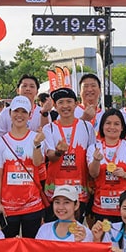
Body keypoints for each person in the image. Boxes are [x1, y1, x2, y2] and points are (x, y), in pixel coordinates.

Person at [0, 96, 47, 237]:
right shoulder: (1, 142)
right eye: (16, 111)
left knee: (31, 246)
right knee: (9, 247)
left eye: (24, 112)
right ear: (10, 114)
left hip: (32, 205)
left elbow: (38, 163)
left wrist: (36, 145)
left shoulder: (37, 137)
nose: (19, 115)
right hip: (8, 207)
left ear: (29, 115)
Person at [40, 87, 94, 217]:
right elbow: (50, 156)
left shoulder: (87, 126)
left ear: (76, 104)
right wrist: (59, 152)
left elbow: (91, 157)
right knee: (54, 229)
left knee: (75, 229)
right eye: (61, 102)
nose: (65, 106)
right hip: (56, 189)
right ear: (55, 105)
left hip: (79, 188)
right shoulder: (49, 128)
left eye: (69, 101)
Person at [88, 108, 126, 226]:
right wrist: (96, 160)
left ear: (122, 127)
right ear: (102, 126)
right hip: (102, 207)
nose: (112, 127)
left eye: (116, 124)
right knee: (105, 241)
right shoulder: (94, 148)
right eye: (108, 123)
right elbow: (93, 174)